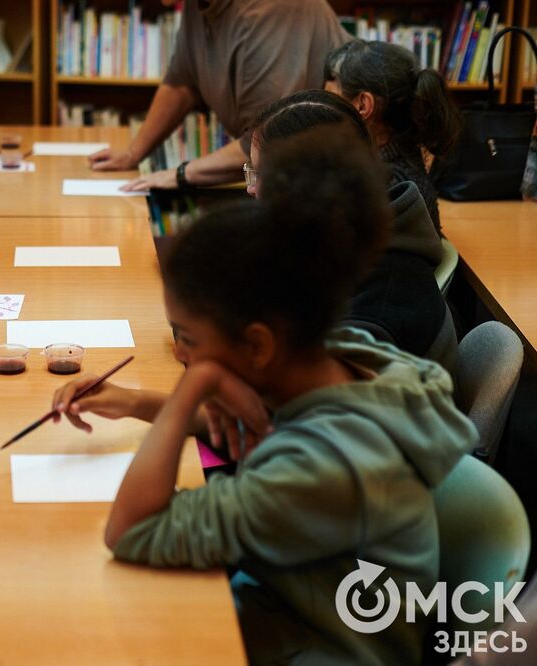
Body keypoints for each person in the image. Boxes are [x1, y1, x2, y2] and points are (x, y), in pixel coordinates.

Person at [57, 128, 476, 664]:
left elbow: (130, 530)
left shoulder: (318, 469)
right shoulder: (348, 355)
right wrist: (136, 402)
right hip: (289, 611)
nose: (181, 354)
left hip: (313, 648)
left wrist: (195, 388)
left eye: (187, 339)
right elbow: (265, 423)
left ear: (257, 345)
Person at [249, 90, 455, 370]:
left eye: (262, 175)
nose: (251, 189)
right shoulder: (338, 243)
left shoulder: (378, 310)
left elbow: (312, 403)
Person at [102, 0, 350, 192]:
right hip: (289, 174)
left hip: (337, 180)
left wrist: (180, 174)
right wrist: (133, 153)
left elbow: (266, 137)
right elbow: (182, 81)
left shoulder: (270, 9)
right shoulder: (198, 5)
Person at [324, 39, 462, 231]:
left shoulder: (379, 186)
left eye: (330, 98)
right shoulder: (406, 164)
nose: (324, 108)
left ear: (363, 105)